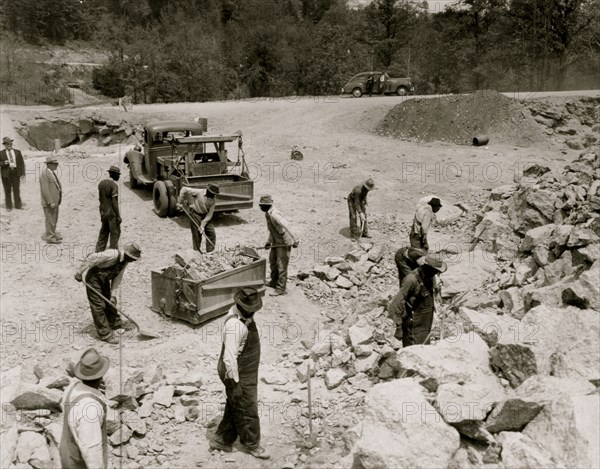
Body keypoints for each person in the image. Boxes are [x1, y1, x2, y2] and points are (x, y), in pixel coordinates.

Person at [210, 288, 270, 460]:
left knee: (236, 404)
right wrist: (235, 384)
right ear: (241, 306)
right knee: (248, 407)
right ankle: (252, 444)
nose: (253, 313)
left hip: (245, 369)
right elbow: (229, 358)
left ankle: (222, 439)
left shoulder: (245, 316)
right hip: (235, 370)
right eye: (250, 309)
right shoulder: (235, 326)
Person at [74, 243, 141, 344]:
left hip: (104, 280)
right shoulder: (113, 254)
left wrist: (113, 296)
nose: (134, 261)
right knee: (98, 306)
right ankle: (105, 334)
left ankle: (115, 324)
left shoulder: (125, 262)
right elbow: (92, 257)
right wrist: (80, 272)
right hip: (93, 279)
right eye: (134, 258)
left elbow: (117, 278)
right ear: (129, 255)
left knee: (110, 302)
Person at [60, 347, 110, 469]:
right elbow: (91, 451)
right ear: (101, 375)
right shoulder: (90, 409)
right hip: (80, 464)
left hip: (67, 455)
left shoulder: (73, 387)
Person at [388, 255, 447, 347]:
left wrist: (437, 293)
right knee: (413, 351)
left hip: (425, 323)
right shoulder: (411, 280)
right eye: (435, 272)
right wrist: (399, 327)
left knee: (424, 349)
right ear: (427, 268)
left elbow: (434, 285)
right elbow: (396, 304)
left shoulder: (429, 276)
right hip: (414, 325)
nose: (436, 274)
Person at [258, 194, 299, 296]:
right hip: (276, 241)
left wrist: (295, 239)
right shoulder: (268, 214)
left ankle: (281, 288)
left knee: (281, 265)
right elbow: (273, 230)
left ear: (268, 205)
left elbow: (286, 225)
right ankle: (274, 282)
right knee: (273, 262)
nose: (260, 207)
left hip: (284, 242)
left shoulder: (274, 214)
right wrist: (268, 241)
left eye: (262, 205)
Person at [176, 184, 219, 253]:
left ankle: (210, 252)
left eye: (215, 194)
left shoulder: (213, 200)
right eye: (212, 193)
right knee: (197, 235)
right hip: (196, 214)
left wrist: (202, 225)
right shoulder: (199, 192)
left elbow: (209, 214)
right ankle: (196, 252)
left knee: (211, 233)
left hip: (205, 216)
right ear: (208, 191)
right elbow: (184, 189)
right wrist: (179, 201)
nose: (213, 195)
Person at [96, 166, 122, 252]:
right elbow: (114, 202)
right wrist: (118, 216)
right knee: (115, 233)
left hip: (103, 211)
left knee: (103, 232)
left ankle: (98, 251)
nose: (119, 177)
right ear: (114, 175)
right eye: (118, 175)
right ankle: (113, 253)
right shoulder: (114, 186)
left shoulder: (101, 183)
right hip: (111, 213)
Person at [40, 155, 63, 244]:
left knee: (54, 219)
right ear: (49, 164)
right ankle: (50, 238)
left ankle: (52, 234)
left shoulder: (51, 172)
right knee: (50, 220)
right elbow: (45, 190)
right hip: (50, 202)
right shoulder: (45, 174)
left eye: (56, 163)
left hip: (55, 201)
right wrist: (50, 201)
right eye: (54, 164)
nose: (56, 165)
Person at [0, 136, 25, 211]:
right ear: (4, 145)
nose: (9, 144)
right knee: (7, 190)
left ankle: (18, 205)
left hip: (15, 172)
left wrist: (23, 173)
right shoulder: (1, 153)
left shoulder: (18, 152)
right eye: (7, 143)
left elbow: (21, 163)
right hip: (6, 173)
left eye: (10, 143)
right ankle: (8, 206)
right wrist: (3, 162)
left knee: (16, 190)